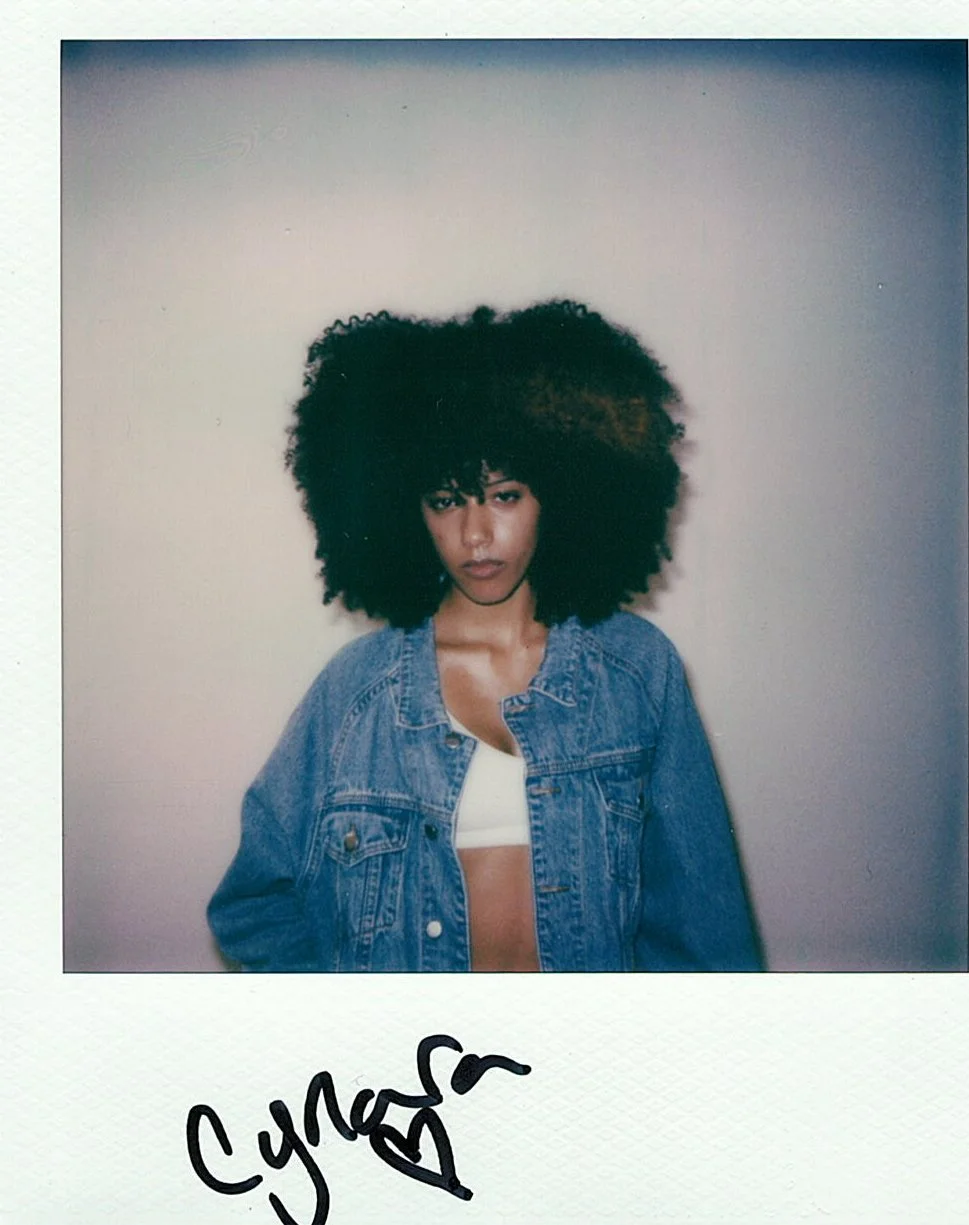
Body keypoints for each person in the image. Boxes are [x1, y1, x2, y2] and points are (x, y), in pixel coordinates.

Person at [207, 300, 761, 972]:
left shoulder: (636, 671)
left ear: (560, 494)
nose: (475, 534)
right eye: (445, 500)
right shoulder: (357, 692)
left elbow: (704, 926)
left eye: (504, 495)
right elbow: (253, 902)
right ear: (404, 511)